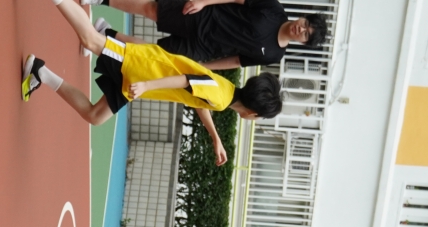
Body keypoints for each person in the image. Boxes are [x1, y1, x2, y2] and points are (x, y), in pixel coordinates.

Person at [22, 0, 282, 165]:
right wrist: (147, 86)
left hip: (138, 80)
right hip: (141, 69)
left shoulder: (225, 93)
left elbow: (199, 98)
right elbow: (186, 81)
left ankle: (39, 72)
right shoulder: (222, 97)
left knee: (95, 115)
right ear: (253, 113)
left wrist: (215, 138)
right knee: (90, 40)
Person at [83, 0, 328, 70]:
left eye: (306, 35)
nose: (301, 29)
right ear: (303, 17)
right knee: (152, 10)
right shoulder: (274, 9)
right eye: (306, 24)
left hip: (204, 48)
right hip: (204, 16)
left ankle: (106, 33)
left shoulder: (274, 55)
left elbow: (236, 61)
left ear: (303, 42)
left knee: (154, 56)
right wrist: (203, 1)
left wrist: (205, 67)